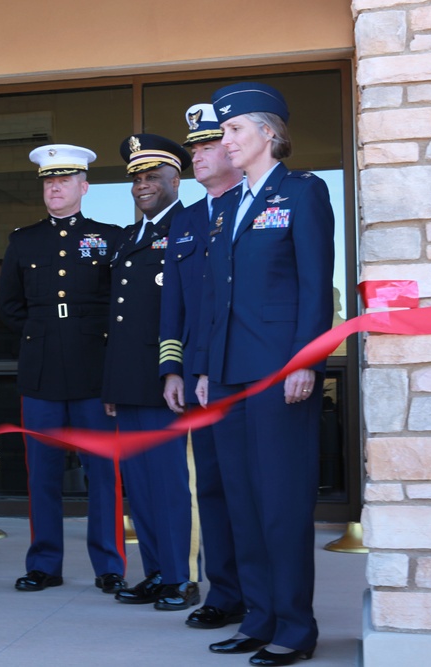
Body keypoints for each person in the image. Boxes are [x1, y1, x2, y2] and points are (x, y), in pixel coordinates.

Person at [195, 82, 334, 666]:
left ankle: (295, 628)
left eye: (233, 130)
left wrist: (307, 361)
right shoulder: (227, 206)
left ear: (268, 134)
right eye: (223, 132)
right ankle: (257, 617)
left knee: (280, 502)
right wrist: (204, 368)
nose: (224, 140)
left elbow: (314, 287)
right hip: (228, 376)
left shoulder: (302, 193)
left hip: (279, 374)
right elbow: (215, 298)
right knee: (241, 503)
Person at [0, 144, 126, 594]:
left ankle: (109, 565)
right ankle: (44, 564)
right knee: (43, 474)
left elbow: (120, 307)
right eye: (49, 180)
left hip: (93, 372)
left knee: (104, 476)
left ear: (84, 186)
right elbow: (7, 306)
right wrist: (41, 329)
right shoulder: (23, 240)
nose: (55, 186)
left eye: (65, 180)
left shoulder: (110, 237)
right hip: (41, 373)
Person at [158, 104, 246, 629]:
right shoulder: (187, 218)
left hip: (238, 372)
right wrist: (172, 368)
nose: (198, 154)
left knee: (246, 488)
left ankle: (259, 594)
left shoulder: (252, 205)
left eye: (207, 144)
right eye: (194, 147)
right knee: (209, 487)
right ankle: (224, 593)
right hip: (195, 379)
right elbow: (175, 305)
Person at [103, 134, 199, 612]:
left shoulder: (190, 225)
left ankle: (182, 577)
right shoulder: (127, 237)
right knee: (139, 483)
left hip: (165, 380)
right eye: (136, 179)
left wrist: (175, 369)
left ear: (174, 180)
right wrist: (112, 384)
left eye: (152, 177)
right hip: (129, 380)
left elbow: (189, 310)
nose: (143, 186)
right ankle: (156, 573)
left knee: (168, 482)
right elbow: (117, 317)